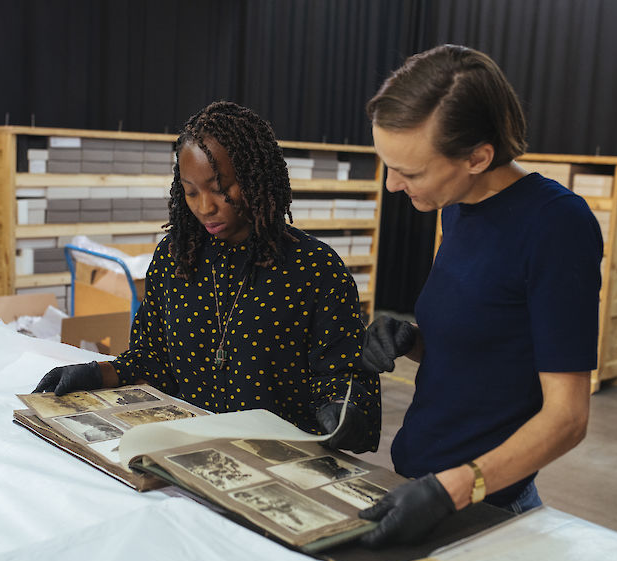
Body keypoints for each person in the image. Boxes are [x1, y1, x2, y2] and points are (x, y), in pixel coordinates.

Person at [357, 45, 603, 546]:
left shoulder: (557, 226)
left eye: (411, 171)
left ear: (478, 156)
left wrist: (454, 490)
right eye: (388, 164)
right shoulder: (457, 206)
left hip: (484, 507)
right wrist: (411, 340)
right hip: (421, 482)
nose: (392, 185)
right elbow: (490, 346)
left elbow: (568, 417)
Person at [34, 101, 381, 453]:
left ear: (256, 178)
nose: (204, 207)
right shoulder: (174, 259)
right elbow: (153, 359)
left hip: (276, 457)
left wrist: (344, 413)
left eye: (220, 189)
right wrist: (97, 373)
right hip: (188, 452)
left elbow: (343, 377)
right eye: (191, 191)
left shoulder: (316, 268)